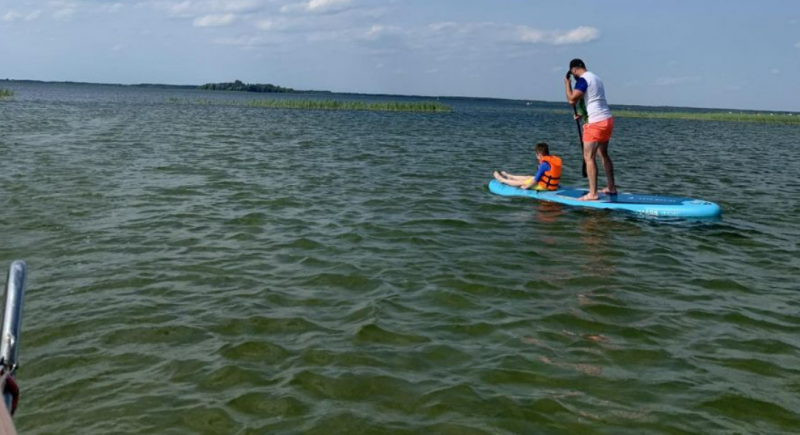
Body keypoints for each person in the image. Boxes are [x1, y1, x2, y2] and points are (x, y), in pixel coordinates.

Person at [564, 58, 616, 201]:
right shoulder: (596, 78)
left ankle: (593, 194)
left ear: (574, 70)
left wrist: (567, 84)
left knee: (589, 157)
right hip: (607, 120)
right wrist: (581, 113)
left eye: (572, 74)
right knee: (603, 154)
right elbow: (593, 99)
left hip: (595, 123)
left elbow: (571, 100)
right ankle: (611, 187)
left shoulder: (583, 79)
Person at [494, 142, 562, 191]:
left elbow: (535, 180)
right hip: (552, 186)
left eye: (536, 154)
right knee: (529, 177)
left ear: (539, 154)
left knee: (523, 182)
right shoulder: (552, 161)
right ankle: (510, 176)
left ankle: (502, 180)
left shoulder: (543, 165)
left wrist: (527, 187)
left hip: (544, 187)